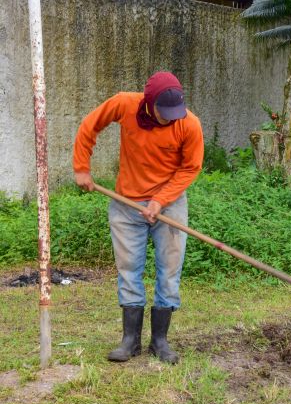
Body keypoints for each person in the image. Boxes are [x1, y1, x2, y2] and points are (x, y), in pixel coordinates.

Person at [73, 72, 204, 364]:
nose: (170, 119)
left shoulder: (188, 124)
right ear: (149, 102)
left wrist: (160, 200)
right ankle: (130, 341)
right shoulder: (124, 104)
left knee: (169, 270)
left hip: (169, 205)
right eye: (164, 112)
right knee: (129, 268)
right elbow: (89, 125)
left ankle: (160, 341)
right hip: (126, 204)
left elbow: (190, 167)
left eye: (175, 113)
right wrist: (82, 166)